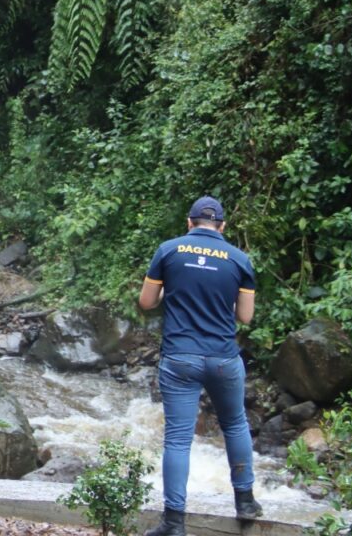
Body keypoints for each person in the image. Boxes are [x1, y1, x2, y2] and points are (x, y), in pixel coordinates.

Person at [138, 196, 262, 536]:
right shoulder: (240, 259)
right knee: (235, 424)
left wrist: (171, 294)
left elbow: (147, 302)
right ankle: (246, 502)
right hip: (223, 357)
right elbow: (245, 316)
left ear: (189, 223)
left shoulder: (169, 251)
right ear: (222, 227)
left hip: (180, 358)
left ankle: (174, 522)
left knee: (178, 440)